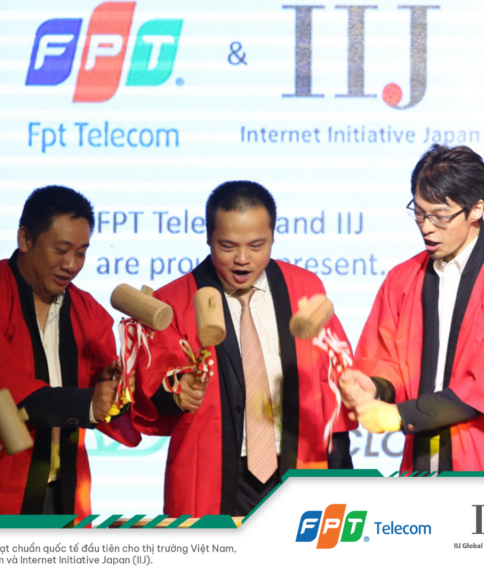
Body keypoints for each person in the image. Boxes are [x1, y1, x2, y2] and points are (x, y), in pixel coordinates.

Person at [133, 181, 356, 517]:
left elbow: (332, 386)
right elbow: (151, 391)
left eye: (256, 246)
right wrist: (177, 394)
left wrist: (340, 471)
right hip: (211, 477)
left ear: (273, 237)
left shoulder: (305, 287)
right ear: (208, 237)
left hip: (297, 466)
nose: (242, 260)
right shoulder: (173, 302)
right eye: (227, 246)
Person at [343, 144, 484, 473]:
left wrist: (400, 415)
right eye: (419, 212)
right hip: (421, 465)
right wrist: (375, 388)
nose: (426, 226)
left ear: (476, 209)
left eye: (440, 216)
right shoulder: (401, 280)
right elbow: (387, 361)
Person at [0, 186, 140, 516]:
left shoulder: (89, 313)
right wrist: (87, 403)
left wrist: (118, 389)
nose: (71, 265)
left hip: (66, 496)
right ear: (25, 239)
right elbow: (2, 397)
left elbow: (111, 405)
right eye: (61, 250)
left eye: (81, 253)